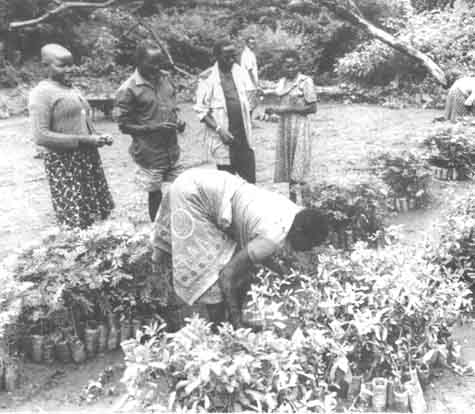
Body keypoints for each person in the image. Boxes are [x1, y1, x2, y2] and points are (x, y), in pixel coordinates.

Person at [151, 168, 329, 329]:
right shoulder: (273, 236)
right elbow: (227, 275)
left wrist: (282, 272)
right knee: (211, 273)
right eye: (309, 245)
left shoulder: (294, 212)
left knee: (241, 265)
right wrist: (237, 321)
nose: (307, 250)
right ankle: (219, 330)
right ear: (299, 232)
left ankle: (159, 288)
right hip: (194, 194)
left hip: (205, 180)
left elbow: (257, 252)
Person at [28, 44, 114, 229]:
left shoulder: (71, 89)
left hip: (87, 158)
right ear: (45, 66)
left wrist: (98, 136)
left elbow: (79, 122)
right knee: (75, 217)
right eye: (62, 65)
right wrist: (85, 140)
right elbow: (41, 136)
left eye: (71, 64)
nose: (69, 69)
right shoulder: (41, 94)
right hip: (65, 163)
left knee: (95, 214)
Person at [116, 41, 185, 222]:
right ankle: (156, 229)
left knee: (183, 189)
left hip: (172, 150)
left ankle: (179, 225)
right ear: (138, 61)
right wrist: (153, 128)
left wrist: (178, 122)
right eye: (151, 63)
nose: (156, 68)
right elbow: (123, 126)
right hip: (150, 154)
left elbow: (172, 106)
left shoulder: (166, 79)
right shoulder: (128, 89)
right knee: (155, 193)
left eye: (159, 63)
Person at [194, 39, 256, 183]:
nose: (231, 60)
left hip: (243, 138)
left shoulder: (240, 72)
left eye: (234, 56)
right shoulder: (207, 78)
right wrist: (219, 130)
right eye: (227, 57)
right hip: (224, 139)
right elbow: (201, 110)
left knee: (250, 184)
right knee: (227, 184)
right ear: (216, 56)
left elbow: (249, 97)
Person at [263, 50, 317, 202]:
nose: (291, 69)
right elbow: (281, 105)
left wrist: (287, 109)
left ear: (299, 65)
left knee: (301, 164)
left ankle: (307, 203)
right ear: (282, 67)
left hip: (300, 126)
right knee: (289, 165)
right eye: (287, 66)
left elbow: (313, 108)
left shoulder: (305, 81)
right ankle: (292, 202)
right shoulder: (281, 83)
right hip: (285, 128)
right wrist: (274, 110)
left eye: (294, 66)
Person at [240, 36, 259, 117]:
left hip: (251, 84)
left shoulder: (251, 53)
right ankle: (248, 121)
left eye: (254, 43)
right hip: (249, 84)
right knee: (249, 105)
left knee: (252, 104)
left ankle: (249, 120)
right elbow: (250, 71)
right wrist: (255, 84)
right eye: (251, 43)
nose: (253, 45)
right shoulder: (247, 54)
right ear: (247, 44)